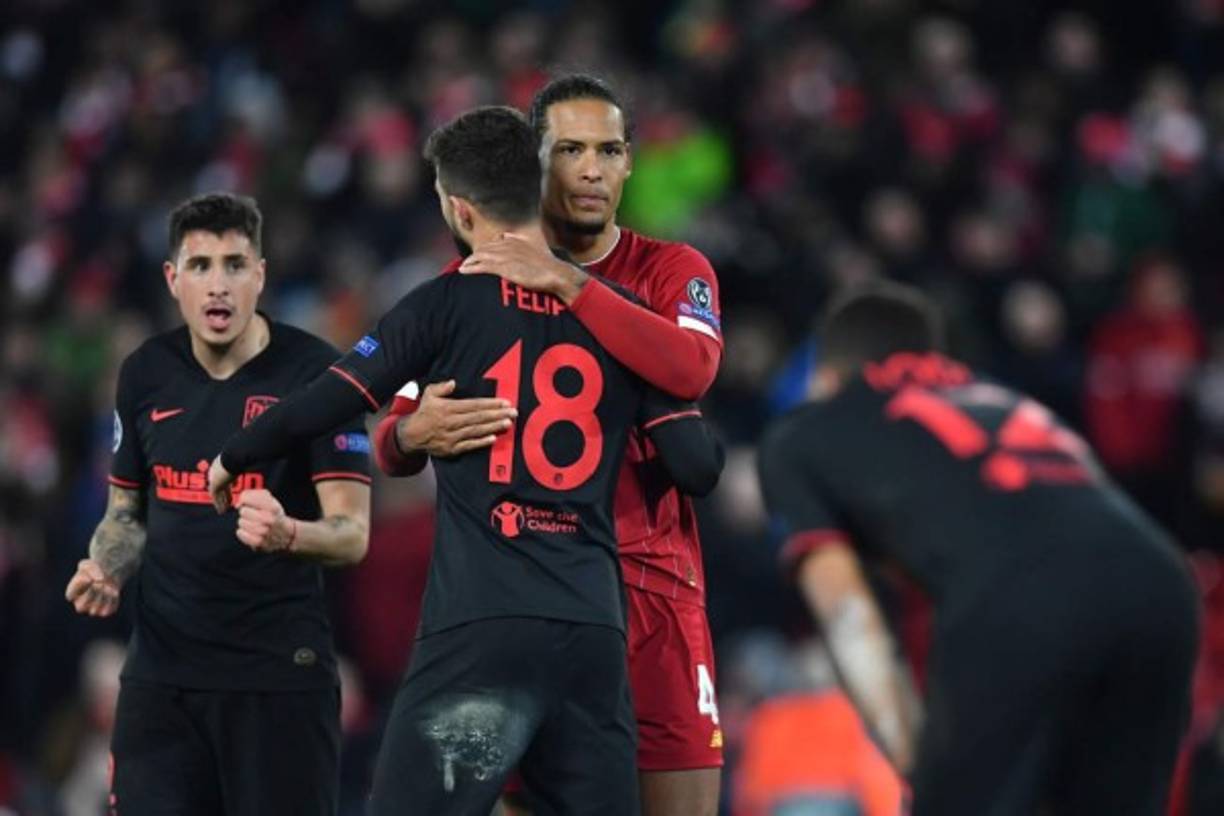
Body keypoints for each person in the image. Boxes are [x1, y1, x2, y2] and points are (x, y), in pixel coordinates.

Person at [208, 106, 723, 816]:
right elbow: (697, 464)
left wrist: (239, 452)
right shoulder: (618, 313)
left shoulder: (442, 305)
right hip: (593, 636)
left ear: (457, 206)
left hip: (483, 629)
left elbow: (332, 398)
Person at [375, 74, 727, 816]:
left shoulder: (673, 271)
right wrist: (409, 432)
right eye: (569, 150)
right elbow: (387, 431)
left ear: (631, 162)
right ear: (535, 162)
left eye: (608, 150)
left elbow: (691, 367)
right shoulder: (470, 281)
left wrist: (568, 285)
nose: (591, 169)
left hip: (654, 593)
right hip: (526, 593)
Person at [757, 282, 1200, 815]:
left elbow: (848, 614)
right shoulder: (998, 395)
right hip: (1162, 586)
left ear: (825, 377)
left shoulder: (803, 433)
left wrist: (918, 766)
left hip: (1022, 593)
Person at [63, 192, 372, 816]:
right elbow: (126, 516)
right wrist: (106, 566)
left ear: (260, 274)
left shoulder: (319, 376)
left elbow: (351, 532)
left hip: (277, 680)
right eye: (200, 266)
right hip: (162, 683)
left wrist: (290, 533)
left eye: (235, 265)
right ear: (172, 279)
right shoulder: (145, 373)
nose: (218, 286)